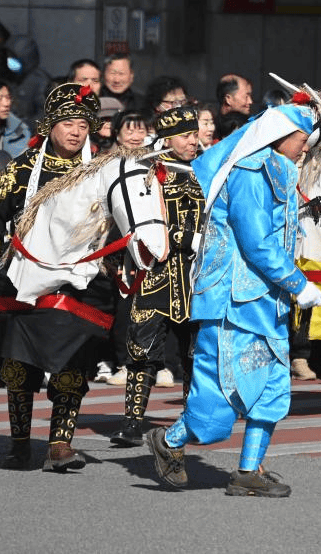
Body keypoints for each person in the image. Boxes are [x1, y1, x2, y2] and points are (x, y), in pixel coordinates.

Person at [146, 103, 321, 497]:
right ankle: (170, 440)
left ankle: (247, 471)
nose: (305, 148)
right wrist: (299, 284)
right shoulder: (249, 173)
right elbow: (256, 241)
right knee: (221, 391)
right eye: (301, 140)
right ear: (279, 136)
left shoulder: (278, 168)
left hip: (266, 297)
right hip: (233, 299)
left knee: (273, 386)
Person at [0, 83, 104, 470]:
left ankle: (60, 445)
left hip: (79, 277)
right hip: (25, 275)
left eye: (82, 123)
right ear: (51, 125)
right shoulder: (25, 167)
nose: (76, 130)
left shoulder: (98, 171)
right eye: (67, 122)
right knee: (20, 362)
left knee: (73, 361)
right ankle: (19, 443)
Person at [111, 108, 204, 447]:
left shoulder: (208, 170)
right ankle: (132, 422)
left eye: (195, 134)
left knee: (196, 353)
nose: (193, 141)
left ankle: (192, 420)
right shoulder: (146, 173)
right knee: (142, 350)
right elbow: (137, 222)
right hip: (158, 274)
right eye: (186, 136)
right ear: (167, 140)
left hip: (197, 276)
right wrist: (183, 237)